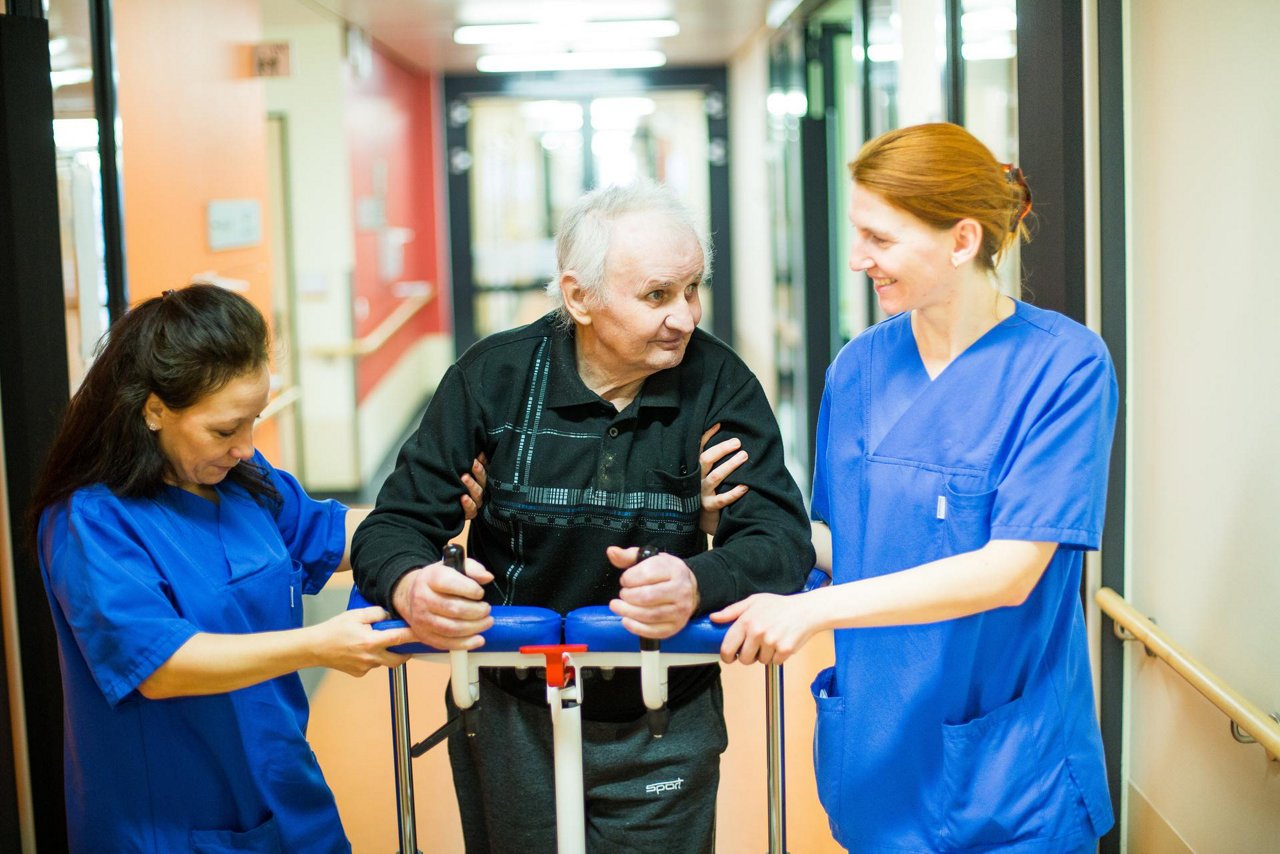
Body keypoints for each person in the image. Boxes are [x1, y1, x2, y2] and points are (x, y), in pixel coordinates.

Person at [352, 180, 815, 853]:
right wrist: (410, 586)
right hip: (509, 711)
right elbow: (391, 529)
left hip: (663, 710)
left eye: (693, 288)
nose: (685, 316)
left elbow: (781, 541)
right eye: (657, 295)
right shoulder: (495, 379)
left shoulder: (718, 382)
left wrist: (698, 581)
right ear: (580, 297)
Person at [713, 123, 1118, 852]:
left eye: (880, 239)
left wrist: (813, 614)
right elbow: (846, 541)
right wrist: (738, 527)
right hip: (875, 754)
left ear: (962, 240)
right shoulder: (858, 368)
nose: (857, 258)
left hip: (1005, 775)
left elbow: (1010, 571)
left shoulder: (1065, 369)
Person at [27, 284, 426, 853]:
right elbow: (161, 666)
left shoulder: (237, 479)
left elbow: (325, 533)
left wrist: (435, 514)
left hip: (286, 795)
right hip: (173, 825)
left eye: (253, 420)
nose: (246, 445)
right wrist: (318, 646)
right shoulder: (91, 521)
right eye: (224, 429)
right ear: (154, 409)